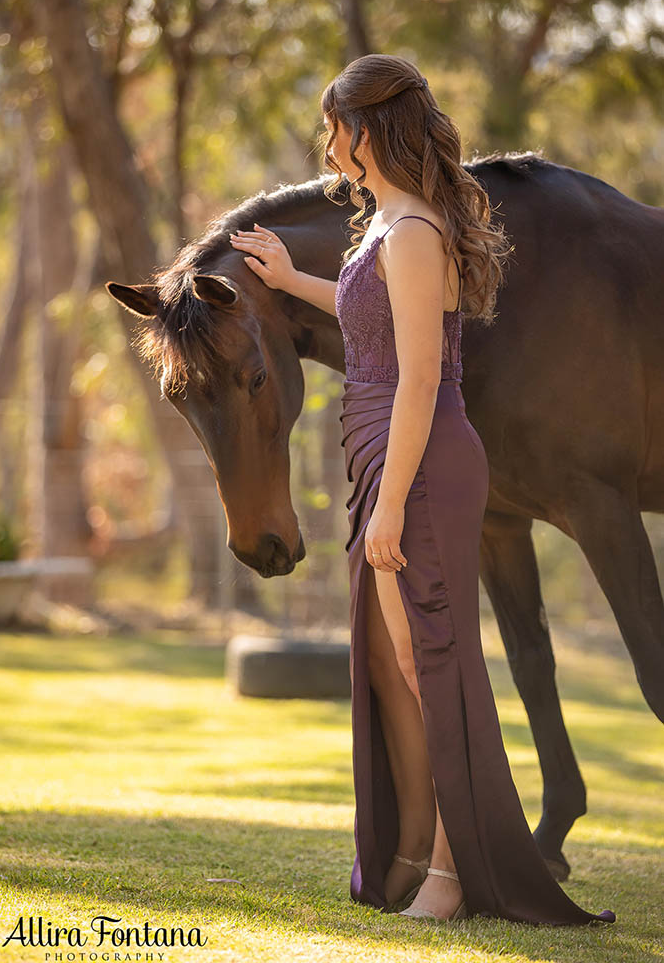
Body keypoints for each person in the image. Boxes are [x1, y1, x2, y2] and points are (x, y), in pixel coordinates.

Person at [228, 54, 616, 927]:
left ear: (365, 132)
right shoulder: (392, 227)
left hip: (419, 460)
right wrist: (290, 280)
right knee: (406, 664)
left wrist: (394, 503)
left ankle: (449, 874)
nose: (326, 142)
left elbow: (415, 379)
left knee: (429, 665)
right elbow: (373, 325)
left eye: (333, 126)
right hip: (387, 453)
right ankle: (425, 854)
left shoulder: (408, 235)